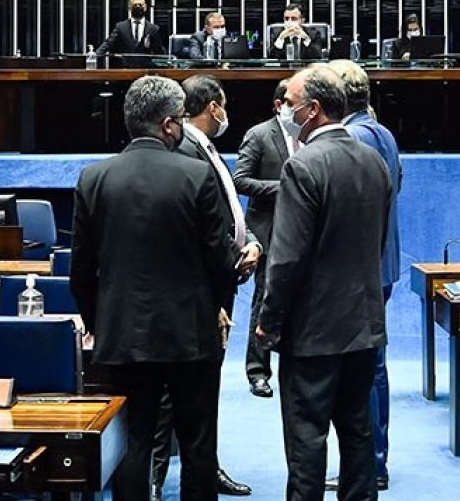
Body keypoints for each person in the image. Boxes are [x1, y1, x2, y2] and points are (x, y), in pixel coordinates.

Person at [70, 75, 238, 501]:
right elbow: (220, 258)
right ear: (167, 124)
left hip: (123, 333)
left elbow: (81, 270)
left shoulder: (94, 178)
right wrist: (217, 308)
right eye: (180, 118)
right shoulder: (196, 175)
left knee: (133, 442)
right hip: (191, 333)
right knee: (198, 444)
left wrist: (99, 324)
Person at [257, 66, 391, 501]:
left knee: (307, 441)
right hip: (363, 326)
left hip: (313, 332)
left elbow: (287, 258)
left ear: (313, 109)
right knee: (358, 434)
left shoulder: (302, 166)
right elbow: (376, 243)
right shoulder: (374, 162)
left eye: (291, 102)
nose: (285, 109)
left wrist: (269, 321)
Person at [151, 75, 262, 499]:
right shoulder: (184, 150)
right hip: (198, 290)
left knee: (204, 387)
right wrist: (230, 262)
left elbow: (226, 214)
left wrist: (248, 242)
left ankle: (205, 466)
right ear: (213, 107)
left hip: (217, 281)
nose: (226, 111)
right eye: (224, 104)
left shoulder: (206, 148)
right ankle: (156, 478)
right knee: (176, 392)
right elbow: (195, 228)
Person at [326, 60, 402, 492]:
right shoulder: (384, 132)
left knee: (361, 371)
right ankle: (376, 459)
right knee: (375, 366)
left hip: (360, 268)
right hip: (382, 262)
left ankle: (369, 464)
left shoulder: (352, 139)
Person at [231, 79, 294, 398]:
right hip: (269, 230)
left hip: (301, 231)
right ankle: (257, 371)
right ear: (279, 104)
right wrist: (284, 187)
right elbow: (240, 180)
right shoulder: (258, 135)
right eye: (293, 103)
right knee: (264, 300)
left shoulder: (310, 135)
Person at [96, 0, 167, 57]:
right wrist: (95, 55)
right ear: (129, 7)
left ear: (145, 7)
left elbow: (160, 51)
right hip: (126, 66)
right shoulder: (121, 27)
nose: (138, 7)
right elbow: (108, 44)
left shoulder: (154, 29)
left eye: (140, 5)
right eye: (134, 5)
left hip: (146, 66)